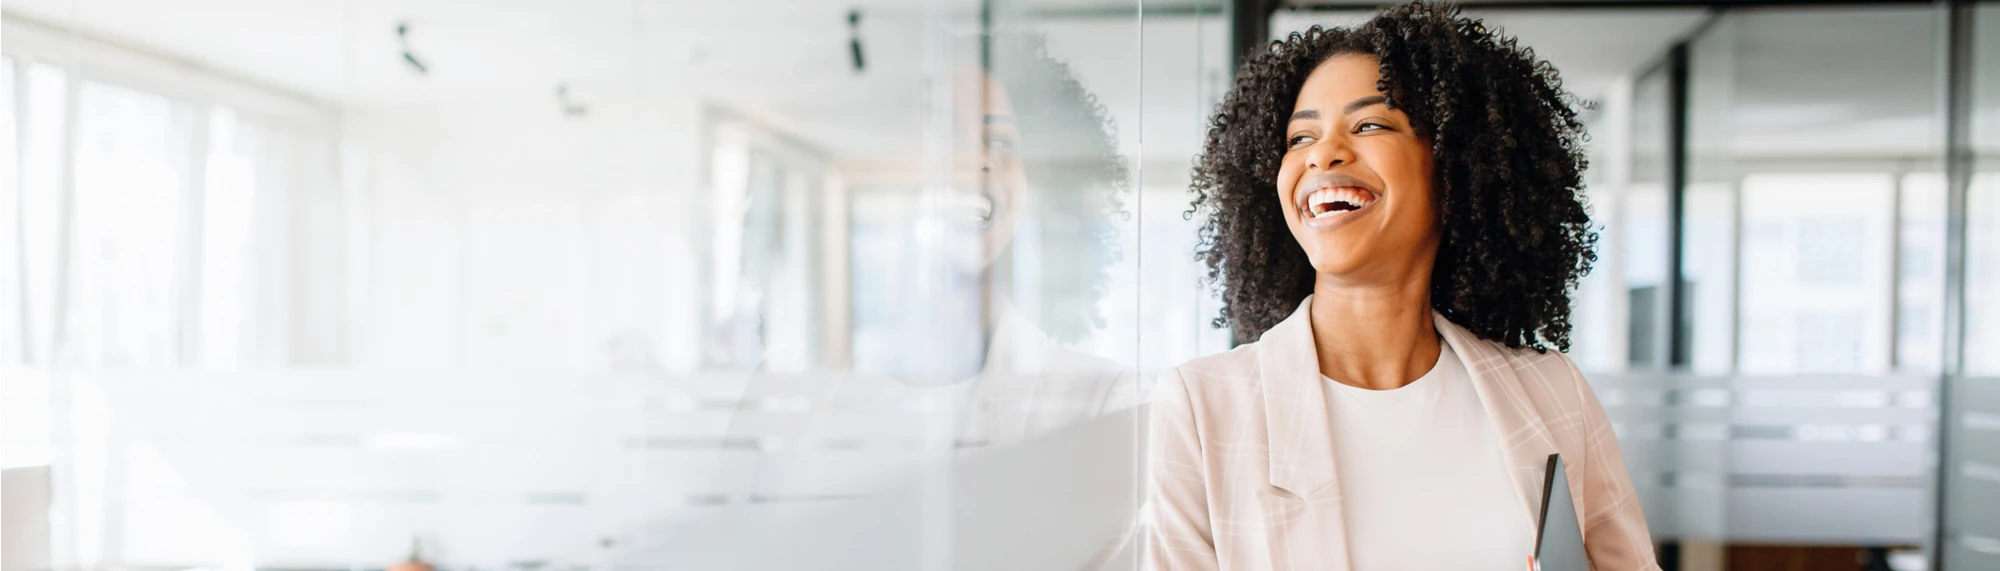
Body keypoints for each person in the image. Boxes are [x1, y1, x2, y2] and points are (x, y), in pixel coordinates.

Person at [1147, 3, 1658, 570]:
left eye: (1370, 124)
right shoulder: (1204, 408)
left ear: (1458, 164)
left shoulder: (1553, 395)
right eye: (1300, 137)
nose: (1323, 153)